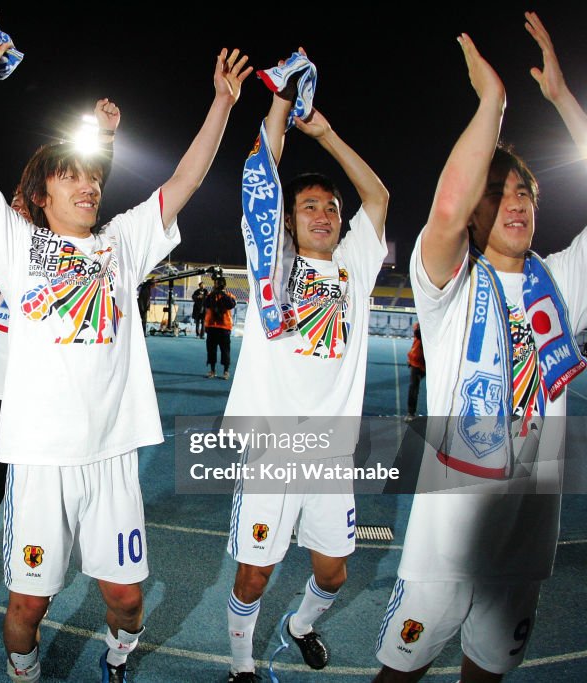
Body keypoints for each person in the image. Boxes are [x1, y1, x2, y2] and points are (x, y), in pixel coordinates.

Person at [0, 39, 252, 682]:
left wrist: (222, 104)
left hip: (112, 454)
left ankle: (119, 653)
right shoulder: (18, 246)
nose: (89, 186)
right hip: (40, 459)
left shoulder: (122, 245)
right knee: (28, 602)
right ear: (42, 193)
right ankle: (23, 669)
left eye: (93, 177)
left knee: (126, 600)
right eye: (71, 177)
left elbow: (186, 180)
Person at [374, 15, 587, 681]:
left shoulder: (562, 284)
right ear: (476, 211)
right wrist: (491, 106)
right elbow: (443, 214)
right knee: (398, 675)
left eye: (523, 188)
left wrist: (560, 99)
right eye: (495, 192)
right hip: (446, 544)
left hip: (524, 544)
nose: (514, 200)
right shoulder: (451, 286)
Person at [224, 51, 388, 682]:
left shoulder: (354, 267)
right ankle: (242, 666)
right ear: (289, 220)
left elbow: (379, 195)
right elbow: (261, 175)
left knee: (333, 570)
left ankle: (300, 625)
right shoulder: (274, 263)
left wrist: (326, 135)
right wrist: (280, 105)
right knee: (255, 570)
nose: (324, 214)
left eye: (330, 208)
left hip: (331, 451)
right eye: (310, 206)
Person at [0, 98, 120, 632]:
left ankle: (38, 592)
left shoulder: (53, 253)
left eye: (21, 199)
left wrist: (104, 140)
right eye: (6, 198)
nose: (12, 205)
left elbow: (89, 192)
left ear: (35, 205)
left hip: (47, 406)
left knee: (51, 514)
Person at [204, 275, 235, 379]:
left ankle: (226, 371)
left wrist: (223, 294)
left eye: (217, 284)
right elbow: (206, 304)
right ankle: (212, 370)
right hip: (212, 326)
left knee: (225, 350)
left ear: (223, 285)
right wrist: (214, 293)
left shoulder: (229, 295)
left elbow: (231, 305)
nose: (216, 286)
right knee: (211, 350)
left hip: (224, 327)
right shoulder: (210, 295)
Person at [404, 322, 424, 422]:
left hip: (431, 361)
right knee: (413, 387)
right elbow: (417, 335)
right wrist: (411, 358)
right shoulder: (420, 324)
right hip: (417, 361)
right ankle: (411, 412)